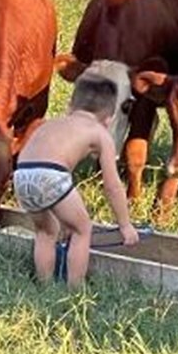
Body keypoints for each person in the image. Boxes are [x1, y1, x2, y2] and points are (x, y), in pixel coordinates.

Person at [13, 74, 140, 287]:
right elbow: (112, 185)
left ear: (70, 106)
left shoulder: (51, 123)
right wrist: (125, 225)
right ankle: (75, 290)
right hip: (51, 174)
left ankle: (44, 286)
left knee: (46, 231)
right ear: (109, 118)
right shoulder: (99, 133)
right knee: (82, 229)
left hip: (21, 173)